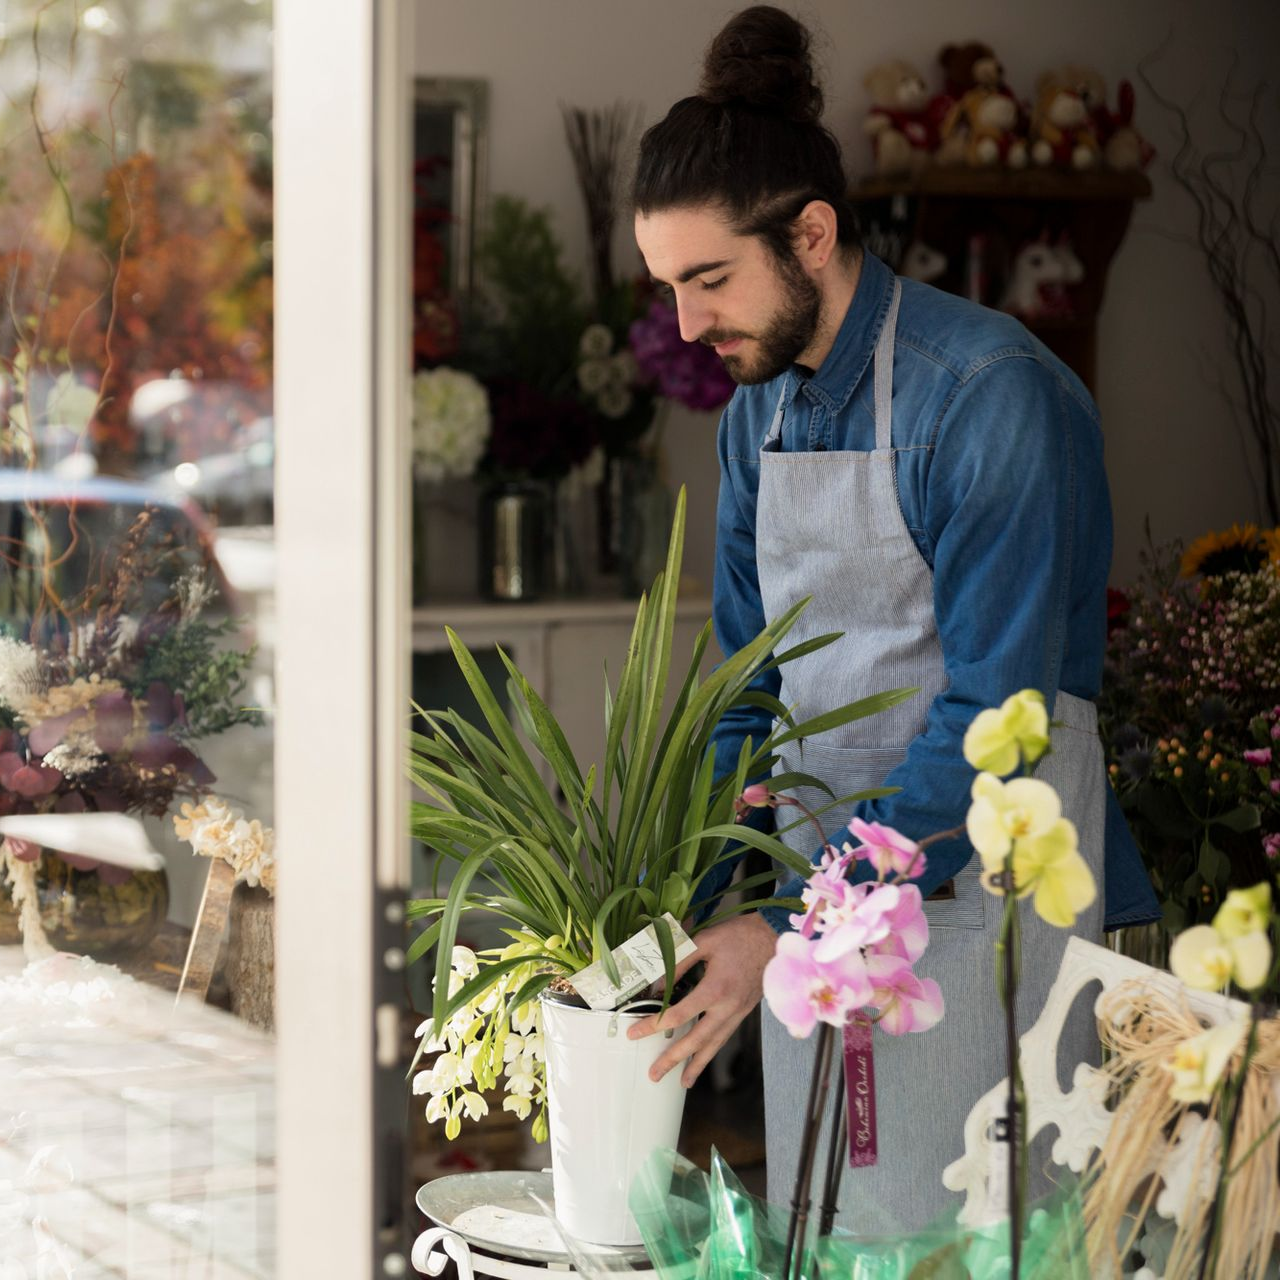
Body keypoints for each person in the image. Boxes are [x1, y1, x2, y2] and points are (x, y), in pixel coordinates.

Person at [624, 5, 1160, 1230]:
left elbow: (997, 718)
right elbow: (747, 684)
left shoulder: (988, 396)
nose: (689, 327)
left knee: (989, 1233)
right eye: (668, 288)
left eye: (708, 280)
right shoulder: (751, 417)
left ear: (809, 234)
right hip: (824, 896)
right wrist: (722, 891)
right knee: (847, 1224)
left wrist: (790, 915)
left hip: (996, 886)